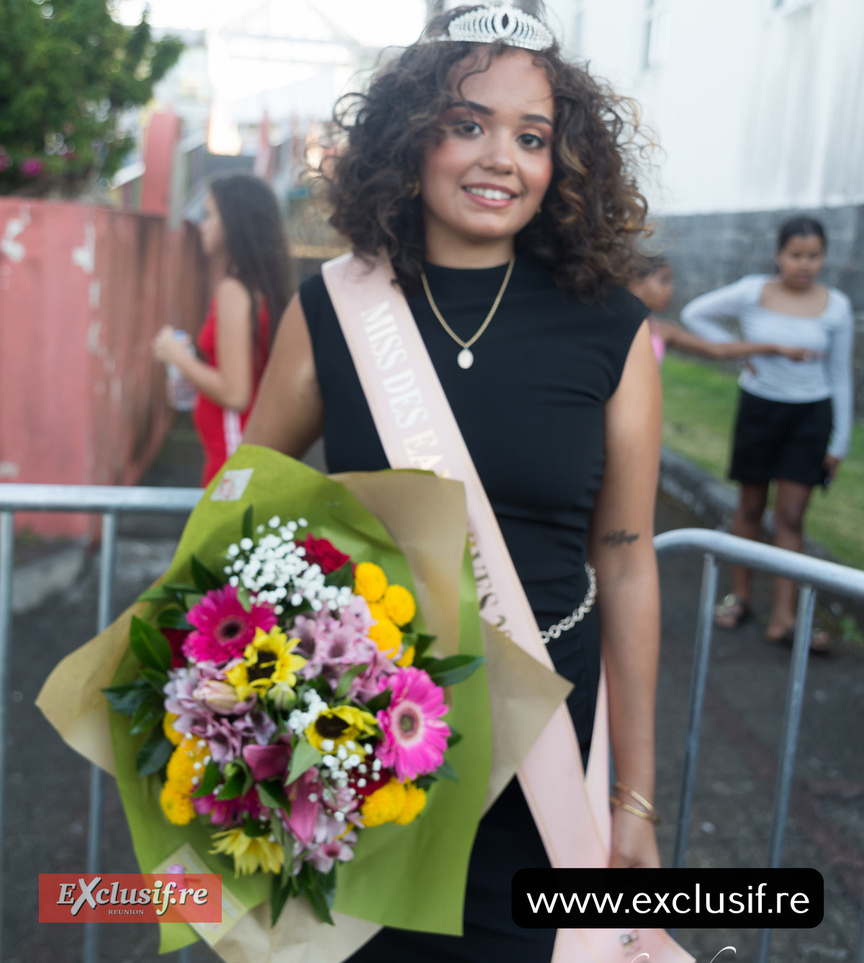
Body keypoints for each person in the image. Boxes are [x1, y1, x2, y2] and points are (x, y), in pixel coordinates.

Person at [245, 5, 674, 959]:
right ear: (411, 138)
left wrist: (635, 797)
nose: (500, 159)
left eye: (532, 138)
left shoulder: (610, 329)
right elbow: (241, 518)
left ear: (563, 166)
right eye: (469, 123)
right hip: (358, 753)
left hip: (544, 754)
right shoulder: (334, 308)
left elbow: (631, 563)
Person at [680, 217, 855, 651]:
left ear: (823, 258)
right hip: (759, 411)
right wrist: (744, 352)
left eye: (813, 256)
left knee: (792, 516)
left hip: (811, 417)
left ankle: (784, 617)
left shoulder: (836, 306)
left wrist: (839, 441)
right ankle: (739, 598)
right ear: (779, 255)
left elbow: (840, 375)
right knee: (751, 506)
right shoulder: (753, 291)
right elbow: (693, 314)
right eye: (796, 255)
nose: (804, 265)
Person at [153, 173, 294, 485]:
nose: (202, 225)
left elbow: (236, 393)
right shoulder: (263, 289)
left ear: (234, 223)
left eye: (210, 215)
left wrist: (177, 356)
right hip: (249, 455)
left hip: (233, 460)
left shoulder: (234, 291)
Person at [628, 253, 814, 366]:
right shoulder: (617, 329)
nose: (671, 289)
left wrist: (773, 346)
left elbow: (717, 350)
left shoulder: (663, 330)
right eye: (663, 281)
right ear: (634, 283)